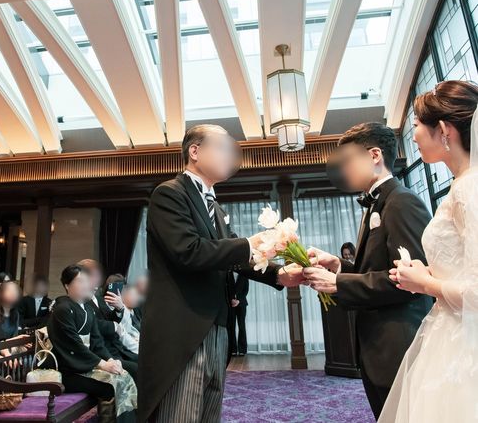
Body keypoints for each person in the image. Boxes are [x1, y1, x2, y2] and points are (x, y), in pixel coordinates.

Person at [138, 124, 305, 423]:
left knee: (208, 413)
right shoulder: (169, 193)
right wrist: (249, 244)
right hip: (185, 330)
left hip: (217, 325)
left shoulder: (215, 207)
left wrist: (279, 274)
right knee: (182, 415)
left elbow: (233, 258)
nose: (231, 156)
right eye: (223, 147)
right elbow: (188, 251)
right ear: (195, 151)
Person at [303, 122, 433, 420]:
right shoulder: (376, 204)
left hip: (398, 343)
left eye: (348, 160)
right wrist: (339, 265)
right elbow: (378, 268)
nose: (343, 169)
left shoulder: (401, 202)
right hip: (377, 345)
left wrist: (338, 283)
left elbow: (412, 281)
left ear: (375, 155)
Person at [379, 81, 478, 422]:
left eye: (417, 125)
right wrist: (427, 273)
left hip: (463, 341)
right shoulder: (461, 186)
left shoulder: (469, 189)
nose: (414, 135)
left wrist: (425, 283)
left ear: (445, 130)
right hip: (448, 331)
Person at [47, 264, 137, 422]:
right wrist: (103, 365)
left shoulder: (87, 310)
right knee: (116, 384)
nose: (85, 285)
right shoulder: (62, 309)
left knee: (124, 377)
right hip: (69, 370)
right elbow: (75, 345)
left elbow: (97, 343)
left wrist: (111, 360)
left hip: (85, 366)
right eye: (80, 281)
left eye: (86, 281)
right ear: (67, 285)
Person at [79, 259, 138, 367]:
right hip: (102, 351)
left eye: (98, 275)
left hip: (117, 347)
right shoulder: (81, 300)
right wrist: (114, 326)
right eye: (94, 275)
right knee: (138, 368)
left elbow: (112, 318)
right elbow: (91, 323)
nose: (98, 279)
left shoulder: (99, 299)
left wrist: (119, 309)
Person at [228, 273, 249, 356]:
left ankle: (242, 350)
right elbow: (226, 289)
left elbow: (246, 290)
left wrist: (238, 300)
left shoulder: (244, 275)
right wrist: (231, 299)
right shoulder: (228, 274)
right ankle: (232, 349)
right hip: (231, 304)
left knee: (241, 326)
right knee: (231, 326)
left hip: (242, 304)